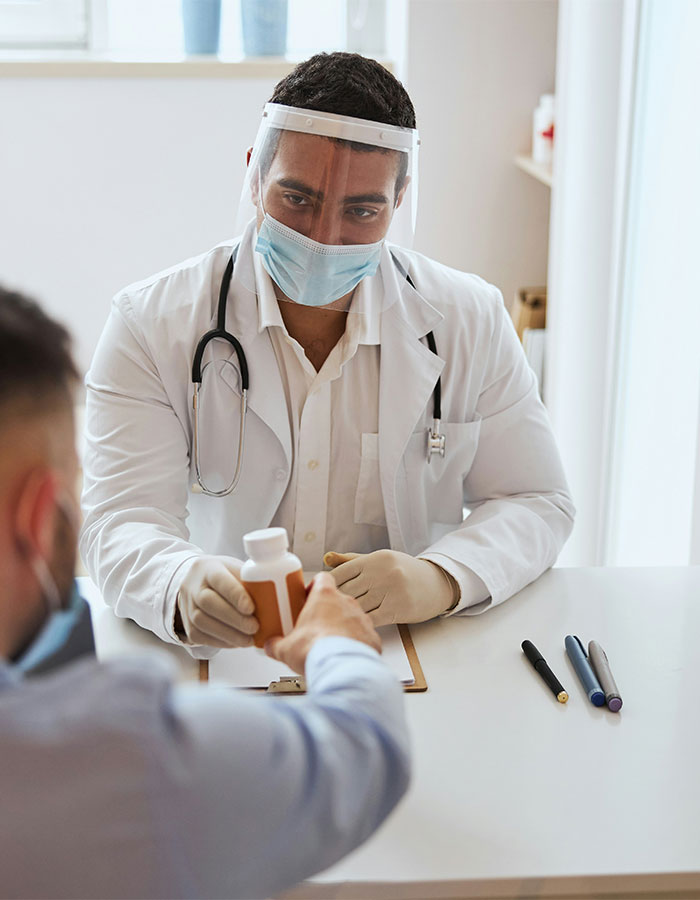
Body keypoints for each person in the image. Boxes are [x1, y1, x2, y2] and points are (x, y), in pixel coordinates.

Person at [81, 52, 575, 658]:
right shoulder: (150, 324)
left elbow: (536, 500)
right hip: (225, 656)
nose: (323, 238)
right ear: (255, 176)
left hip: (407, 656)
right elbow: (120, 519)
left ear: (399, 199)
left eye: (361, 210)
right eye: (297, 199)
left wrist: (441, 578)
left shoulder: (469, 318)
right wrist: (179, 584)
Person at [0, 287, 410, 899]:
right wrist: (341, 646)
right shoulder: (125, 762)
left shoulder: (460, 310)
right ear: (41, 516)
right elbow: (364, 757)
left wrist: (445, 574)